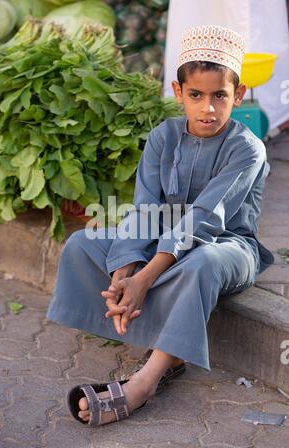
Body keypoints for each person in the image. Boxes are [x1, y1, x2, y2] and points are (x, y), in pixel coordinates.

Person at [46, 25, 274, 427]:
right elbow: (144, 209)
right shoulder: (162, 136)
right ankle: (147, 323)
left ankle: (147, 380)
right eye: (196, 95)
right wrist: (123, 276)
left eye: (219, 95)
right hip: (161, 240)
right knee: (86, 242)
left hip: (225, 247)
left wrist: (146, 278)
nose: (208, 108)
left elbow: (204, 219)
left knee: (200, 264)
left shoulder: (247, 149)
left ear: (237, 95)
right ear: (177, 92)